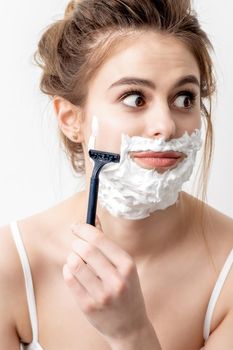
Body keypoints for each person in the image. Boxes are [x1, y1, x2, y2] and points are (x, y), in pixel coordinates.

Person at [0, 0, 233, 349]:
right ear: (71, 119)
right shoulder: (12, 263)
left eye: (184, 98)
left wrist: (132, 333)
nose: (166, 126)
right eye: (135, 98)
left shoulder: (228, 270)